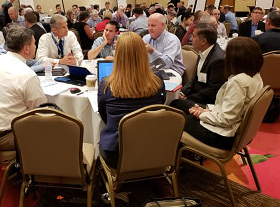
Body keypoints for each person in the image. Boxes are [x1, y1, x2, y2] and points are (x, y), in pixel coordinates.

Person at [179, 37, 264, 150]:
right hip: (233, 126)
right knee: (177, 103)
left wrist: (202, 114)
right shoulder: (255, 76)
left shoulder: (238, 82)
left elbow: (227, 119)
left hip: (224, 136)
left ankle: (177, 159)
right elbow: (233, 110)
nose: (224, 57)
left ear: (237, 59)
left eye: (227, 54)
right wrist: (207, 110)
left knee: (175, 119)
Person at [98, 32, 166, 168]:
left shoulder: (106, 85)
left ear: (118, 56)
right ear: (143, 53)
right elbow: (160, 108)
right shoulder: (158, 81)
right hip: (152, 148)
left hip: (117, 152)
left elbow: (104, 115)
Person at [0, 27, 47, 150]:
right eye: (34, 43)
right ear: (26, 48)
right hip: (6, 136)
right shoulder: (27, 75)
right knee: (57, 126)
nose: (35, 47)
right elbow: (41, 112)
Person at [170, 23, 226, 111]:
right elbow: (194, 79)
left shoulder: (218, 60)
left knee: (174, 103)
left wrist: (188, 99)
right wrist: (183, 92)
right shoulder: (203, 52)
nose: (191, 39)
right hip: (197, 94)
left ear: (203, 41)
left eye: (194, 36)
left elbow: (212, 91)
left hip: (207, 103)